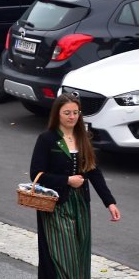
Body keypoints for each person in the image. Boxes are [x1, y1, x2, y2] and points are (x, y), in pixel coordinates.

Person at [30, 93, 121, 279]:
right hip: (56, 205)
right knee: (63, 252)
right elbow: (36, 174)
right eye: (67, 113)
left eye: (75, 112)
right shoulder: (47, 139)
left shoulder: (83, 138)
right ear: (57, 114)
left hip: (80, 204)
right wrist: (66, 181)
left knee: (80, 251)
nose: (72, 117)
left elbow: (94, 171)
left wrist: (109, 203)